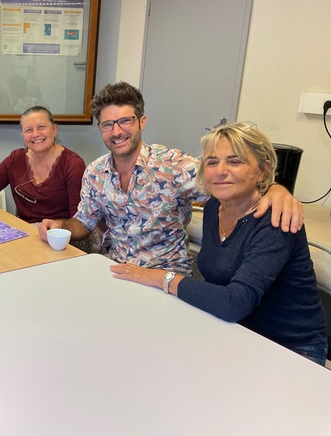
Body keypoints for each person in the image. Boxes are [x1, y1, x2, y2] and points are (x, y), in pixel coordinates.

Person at [112, 122, 327, 364]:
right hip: (239, 332)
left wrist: (160, 277)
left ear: (263, 170)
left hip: (291, 348)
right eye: (212, 162)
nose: (220, 171)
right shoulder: (215, 206)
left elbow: (234, 303)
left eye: (235, 162)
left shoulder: (276, 220)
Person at [38, 81, 302, 276]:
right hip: (116, 272)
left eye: (125, 121)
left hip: (167, 280)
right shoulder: (96, 172)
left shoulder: (174, 166)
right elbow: (83, 223)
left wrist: (275, 189)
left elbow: (232, 183)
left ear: (142, 121)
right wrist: (60, 225)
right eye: (108, 124)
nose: (117, 132)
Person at [0, 106, 86, 225]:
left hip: (59, 231)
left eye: (41, 127)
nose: (35, 134)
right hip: (24, 230)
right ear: (23, 135)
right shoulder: (15, 159)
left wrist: (58, 226)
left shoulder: (73, 165)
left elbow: (78, 220)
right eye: (29, 130)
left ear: (54, 130)